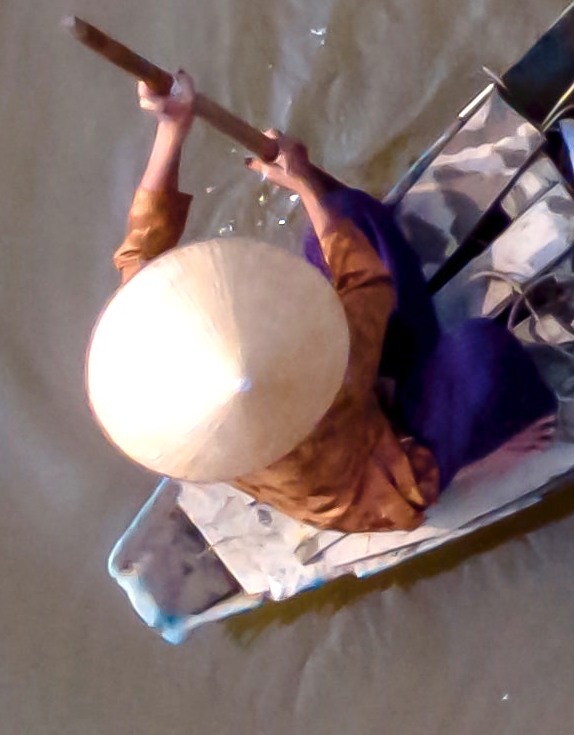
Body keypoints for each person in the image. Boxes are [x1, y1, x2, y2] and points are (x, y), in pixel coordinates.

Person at [92, 64, 522, 538]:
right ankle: (467, 464)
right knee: (483, 353)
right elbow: (366, 286)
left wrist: (172, 126)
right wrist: (305, 186)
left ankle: (400, 390)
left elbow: (140, 251)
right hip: (382, 475)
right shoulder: (327, 380)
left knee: (352, 214)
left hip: (352, 395)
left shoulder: (151, 359)